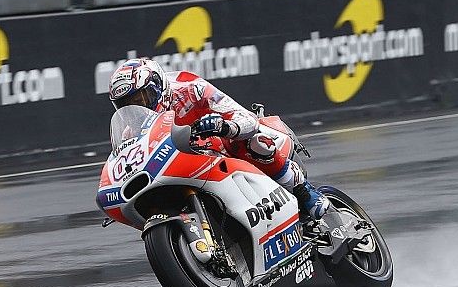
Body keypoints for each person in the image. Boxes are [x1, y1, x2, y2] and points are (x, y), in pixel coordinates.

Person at [108, 58, 330, 220]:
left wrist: (225, 126)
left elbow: (245, 117)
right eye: (127, 105)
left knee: (254, 142)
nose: (137, 108)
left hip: (221, 145)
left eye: (140, 99)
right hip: (184, 166)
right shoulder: (132, 131)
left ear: (158, 88)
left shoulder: (190, 87)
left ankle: (303, 191)